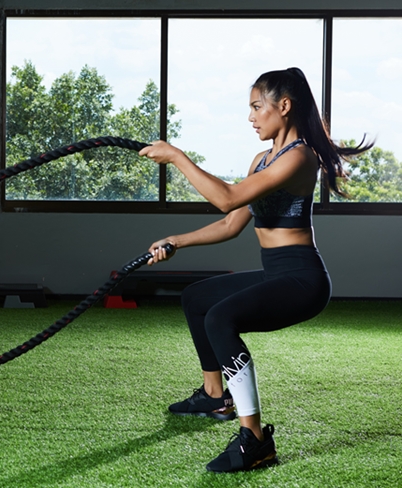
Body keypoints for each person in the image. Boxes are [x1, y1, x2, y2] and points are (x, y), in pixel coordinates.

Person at [138, 67, 372, 473]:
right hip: (274, 273)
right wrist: (178, 240)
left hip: (303, 280)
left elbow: (227, 198)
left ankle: (255, 440)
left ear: (284, 106)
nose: (250, 117)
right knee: (197, 299)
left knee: (221, 318)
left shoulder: (299, 157)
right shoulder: (263, 160)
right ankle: (215, 396)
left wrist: (177, 157)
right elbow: (232, 222)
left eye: (256, 107)